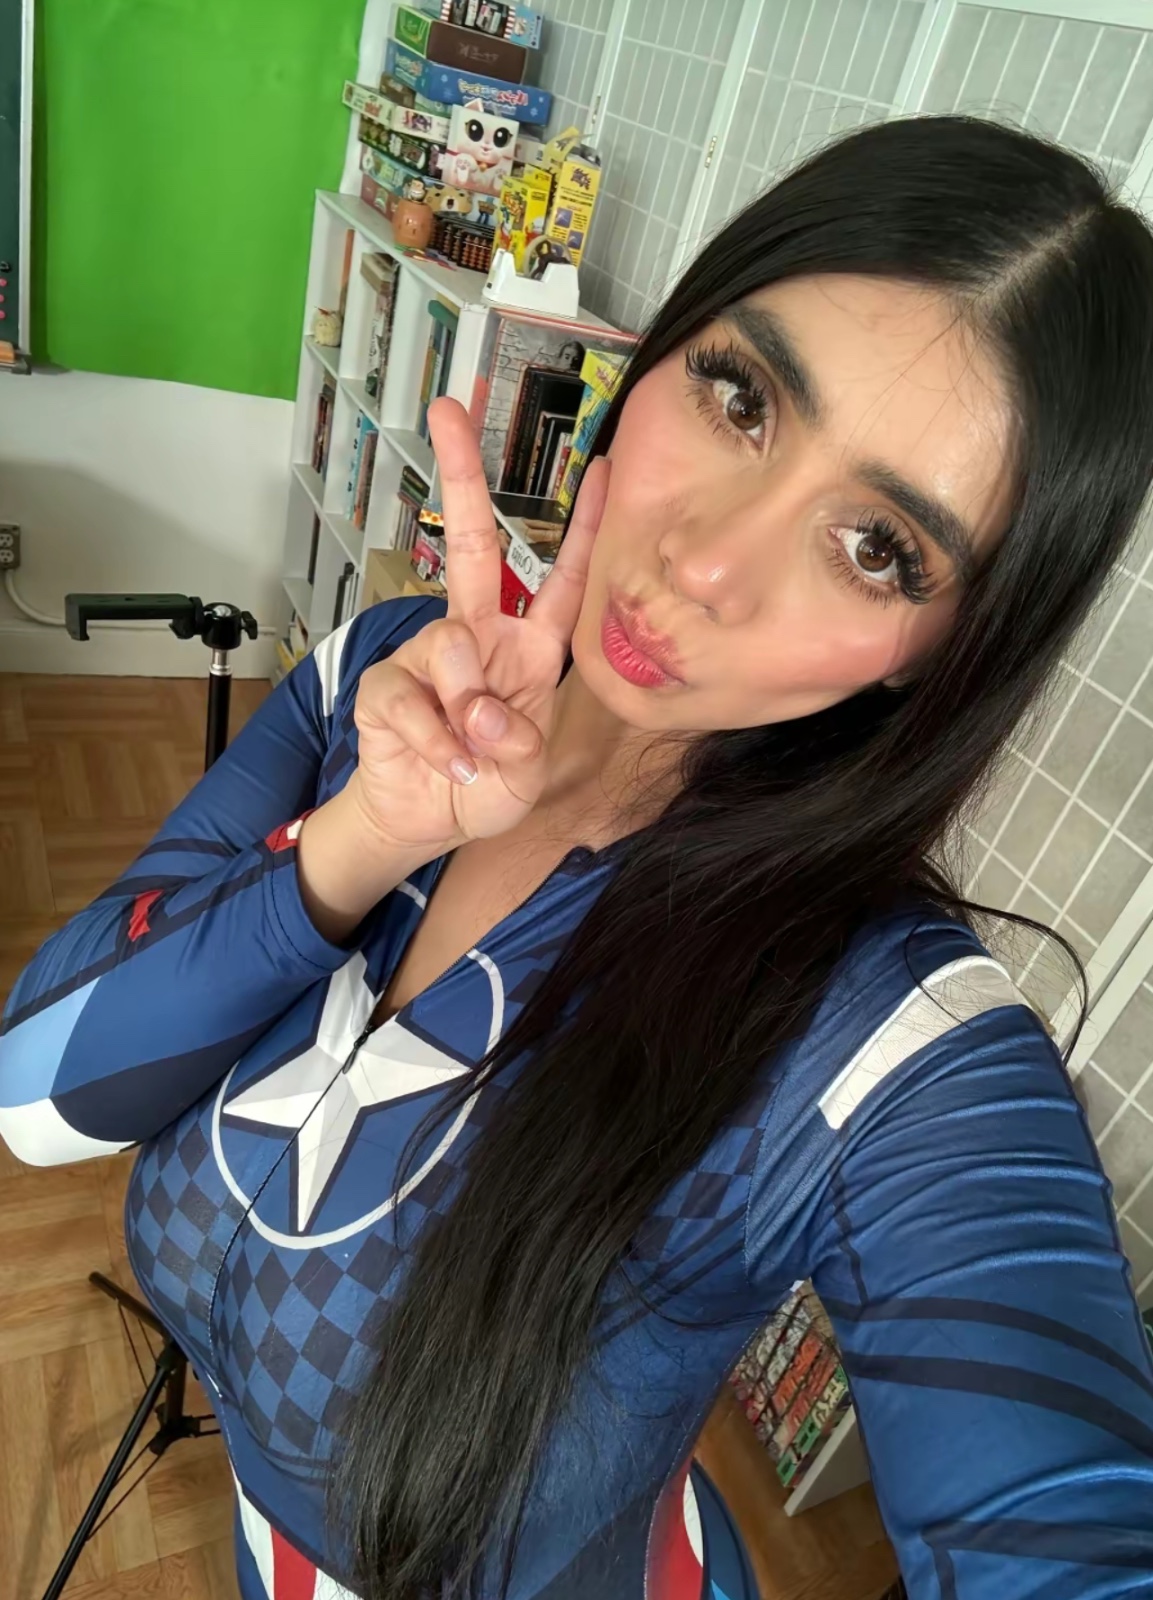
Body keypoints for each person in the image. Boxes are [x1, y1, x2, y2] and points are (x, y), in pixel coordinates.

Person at [3, 114, 1153, 1600]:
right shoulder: (384, 670)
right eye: (740, 397)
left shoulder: (881, 1038)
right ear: (657, 354)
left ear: (946, 648)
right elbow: (36, 1100)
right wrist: (373, 832)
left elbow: (1067, 1528)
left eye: (877, 547)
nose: (706, 564)